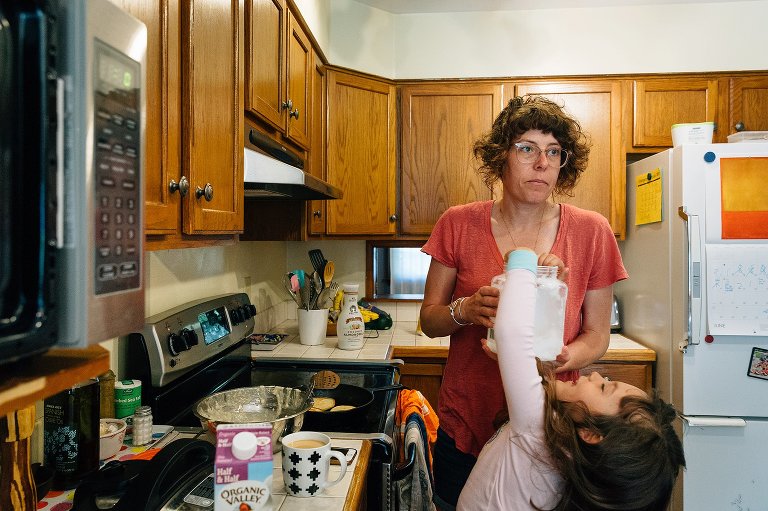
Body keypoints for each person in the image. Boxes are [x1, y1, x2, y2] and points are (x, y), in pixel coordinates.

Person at [419, 95, 628, 509]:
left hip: (549, 429)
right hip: (468, 419)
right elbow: (429, 320)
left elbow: (597, 335)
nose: (542, 163)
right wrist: (464, 310)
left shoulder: (592, 231)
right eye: (527, 149)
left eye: (554, 152)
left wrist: (561, 358)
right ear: (501, 157)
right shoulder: (458, 223)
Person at [456, 248, 685, 510]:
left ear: (592, 434)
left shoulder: (536, 430)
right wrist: (545, 290)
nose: (595, 375)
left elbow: (513, 334)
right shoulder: (566, 455)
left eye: (603, 387)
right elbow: (532, 366)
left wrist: (523, 262)